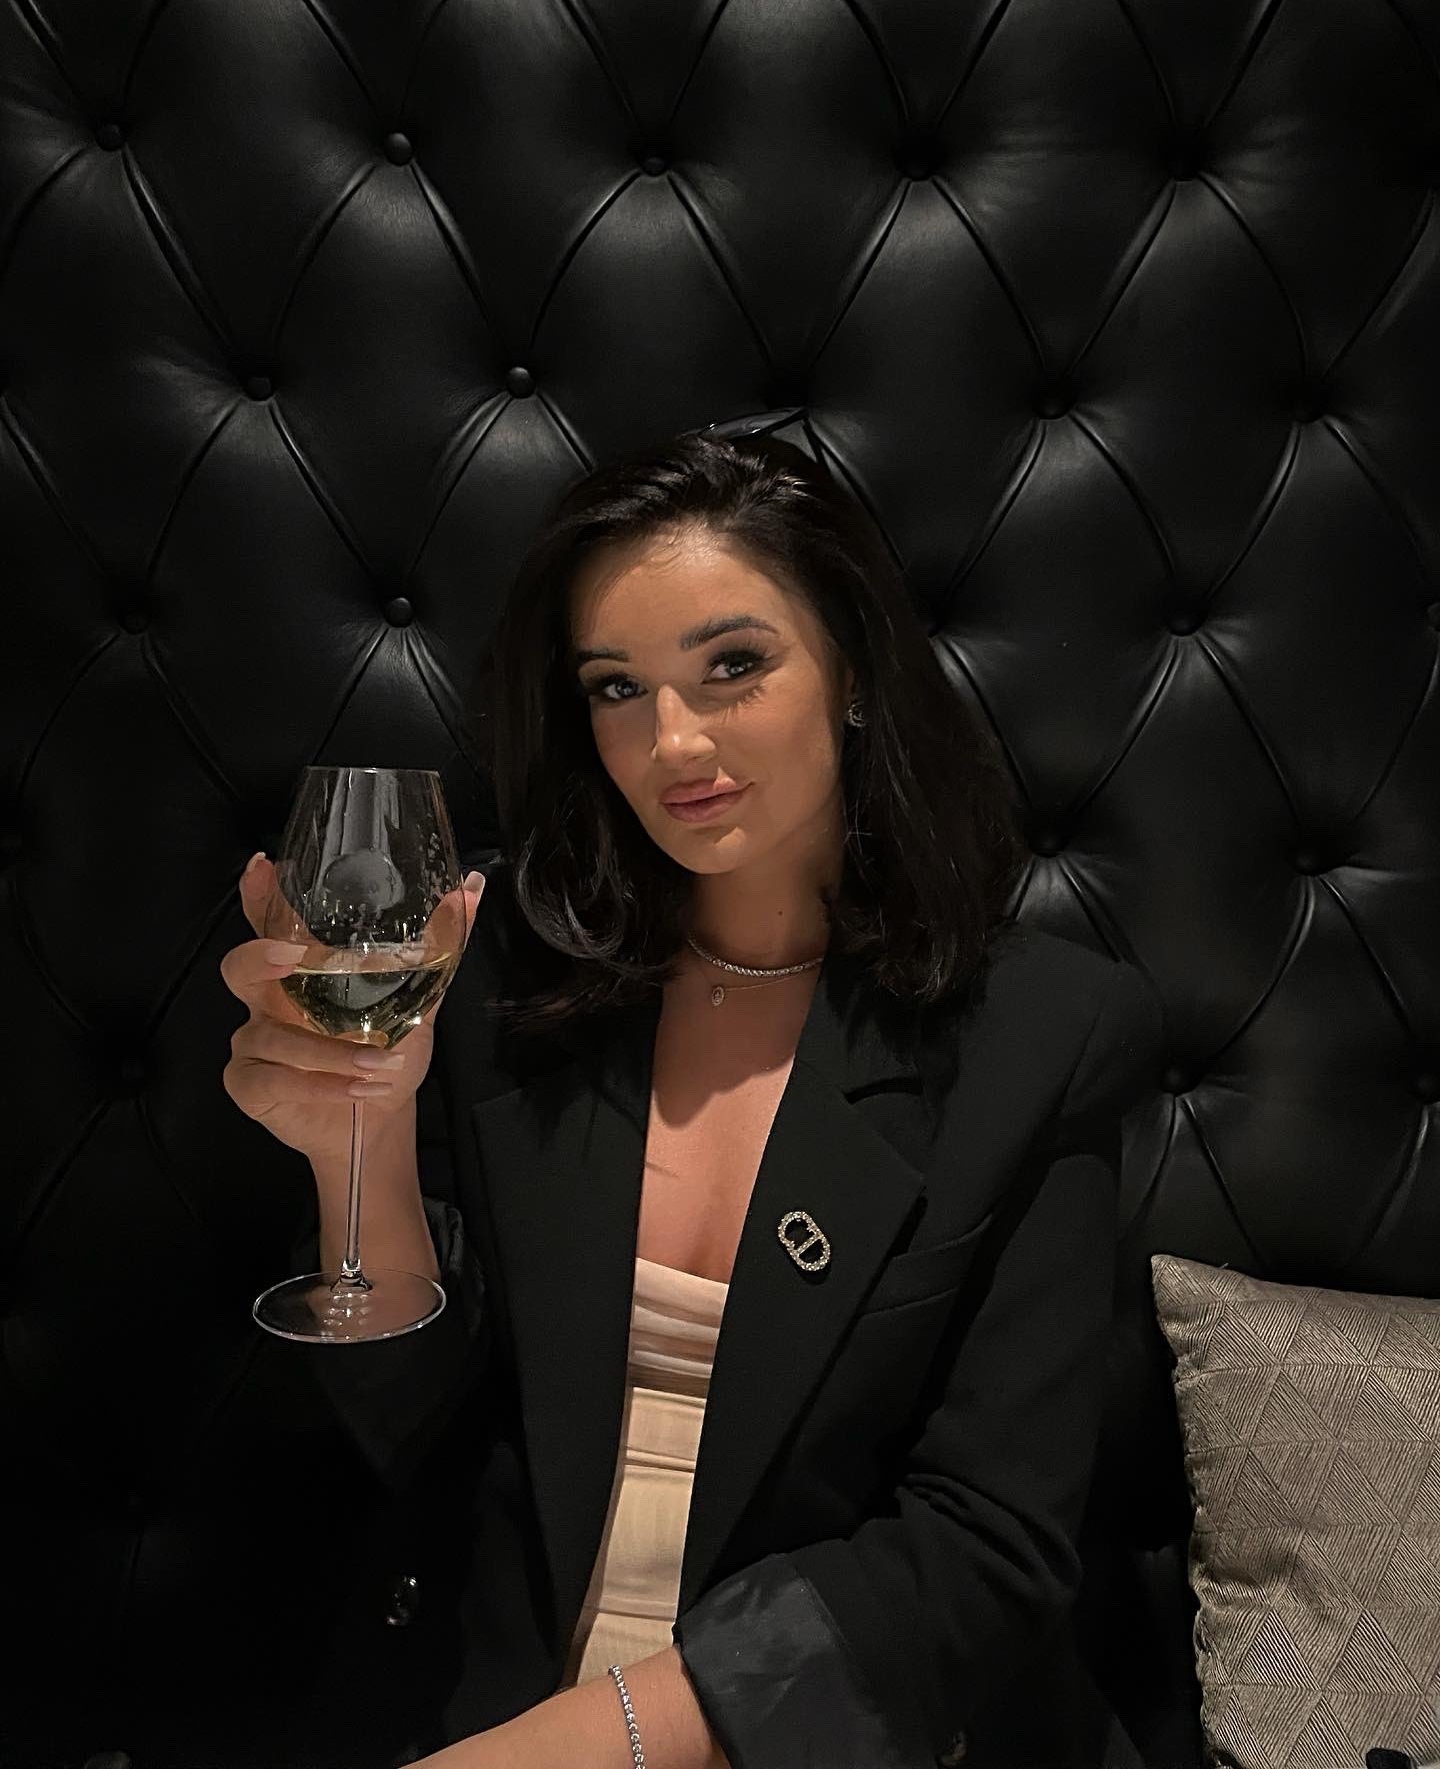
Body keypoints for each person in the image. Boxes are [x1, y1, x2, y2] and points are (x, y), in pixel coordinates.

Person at [221, 427, 1164, 1769]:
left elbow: (983, 1548)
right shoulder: (505, 977)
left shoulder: (1042, 1036)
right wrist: (353, 1146)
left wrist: (574, 1750)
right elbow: (416, 1433)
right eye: (618, 687)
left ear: (851, 668)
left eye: (733, 665)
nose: (673, 741)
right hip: (488, 1695)